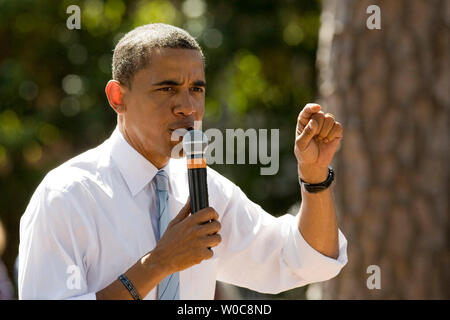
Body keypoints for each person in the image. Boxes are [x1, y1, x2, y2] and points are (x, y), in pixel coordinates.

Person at [18, 23, 347, 300]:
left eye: (197, 89)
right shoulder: (67, 196)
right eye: (167, 89)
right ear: (118, 97)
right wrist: (157, 265)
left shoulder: (206, 188)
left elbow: (303, 260)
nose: (188, 107)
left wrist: (314, 177)